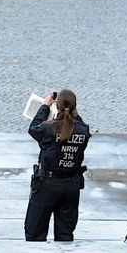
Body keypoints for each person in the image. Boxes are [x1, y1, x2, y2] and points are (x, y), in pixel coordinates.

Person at [24, 89, 90, 242]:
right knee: (65, 235)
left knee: (34, 233)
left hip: (47, 184)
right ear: (75, 106)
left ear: (57, 106)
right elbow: (77, 125)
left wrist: (45, 107)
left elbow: (33, 128)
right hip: (71, 184)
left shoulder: (49, 128)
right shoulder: (83, 130)